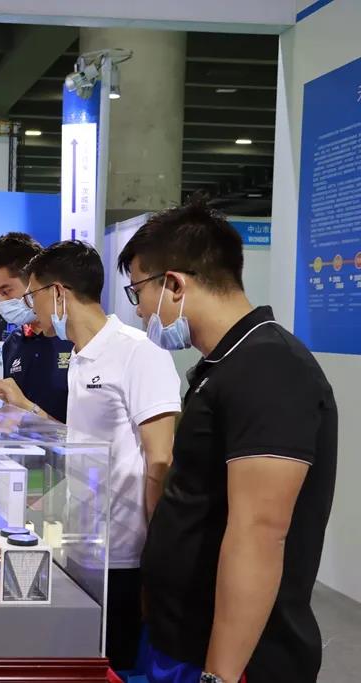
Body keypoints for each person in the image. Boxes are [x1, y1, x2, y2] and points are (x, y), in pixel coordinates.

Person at [118, 201, 337, 683]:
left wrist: (219, 675)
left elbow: (259, 532)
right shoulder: (224, 365)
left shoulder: (270, 367)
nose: (138, 310)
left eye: (139, 290)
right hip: (180, 639)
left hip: (228, 661)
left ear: (174, 284)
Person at [0, 240, 181, 671]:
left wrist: (157, 562)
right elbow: (81, 440)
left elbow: (161, 461)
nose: (30, 309)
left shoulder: (139, 353)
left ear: (58, 293)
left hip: (126, 558)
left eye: (33, 296)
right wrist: (27, 411)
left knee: (120, 666)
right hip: (81, 546)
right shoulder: (79, 358)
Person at [0, 232, 72, 422]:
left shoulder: (74, 339)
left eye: (6, 291)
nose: (2, 302)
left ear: (33, 283)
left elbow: (88, 431)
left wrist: (28, 408)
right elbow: (16, 413)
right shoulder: (12, 343)